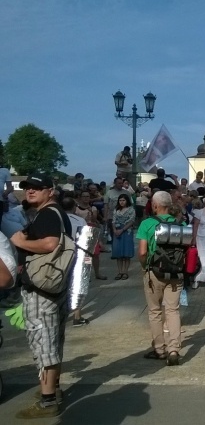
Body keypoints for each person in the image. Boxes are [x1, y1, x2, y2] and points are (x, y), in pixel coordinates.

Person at [11, 174, 72, 419]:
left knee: (43, 340)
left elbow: (49, 244)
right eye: (27, 188)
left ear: (50, 191)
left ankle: (47, 401)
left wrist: (20, 242)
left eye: (37, 188)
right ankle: (53, 390)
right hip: (54, 286)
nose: (31, 191)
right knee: (53, 339)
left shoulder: (48, 214)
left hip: (41, 289)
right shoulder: (56, 213)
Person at [136, 191, 182, 366]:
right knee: (173, 310)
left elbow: (142, 252)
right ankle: (174, 349)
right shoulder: (180, 223)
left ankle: (160, 349)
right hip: (176, 272)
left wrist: (144, 265)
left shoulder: (146, 224)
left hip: (153, 271)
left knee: (155, 311)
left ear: (155, 205)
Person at [61, 197, 91, 327]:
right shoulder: (80, 220)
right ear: (74, 207)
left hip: (61, 256)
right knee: (78, 285)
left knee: (62, 286)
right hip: (78, 255)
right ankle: (77, 316)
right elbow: (87, 240)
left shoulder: (58, 219)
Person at [112, 194, 136, 280]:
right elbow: (113, 221)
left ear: (127, 201)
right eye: (120, 200)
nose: (122, 202)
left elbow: (131, 221)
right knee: (118, 254)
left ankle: (125, 271)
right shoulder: (116, 210)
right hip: (117, 232)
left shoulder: (131, 210)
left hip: (127, 231)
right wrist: (114, 230)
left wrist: (122, 230)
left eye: (123, 200)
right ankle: (120, 272)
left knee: (126, 253)